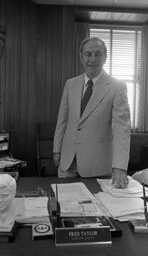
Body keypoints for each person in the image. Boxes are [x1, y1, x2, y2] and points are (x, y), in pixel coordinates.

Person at [53, 37, 131, 188]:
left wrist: (120, 166)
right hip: (67, 164)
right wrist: (57, 150)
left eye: (98, 54)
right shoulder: (71, 84)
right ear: (81, 57)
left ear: (105, 57)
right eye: (88, 54)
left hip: (98, 166)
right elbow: (62, 121)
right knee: (65, 208)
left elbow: (122, 129)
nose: (93, 59)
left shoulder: (117, 87)